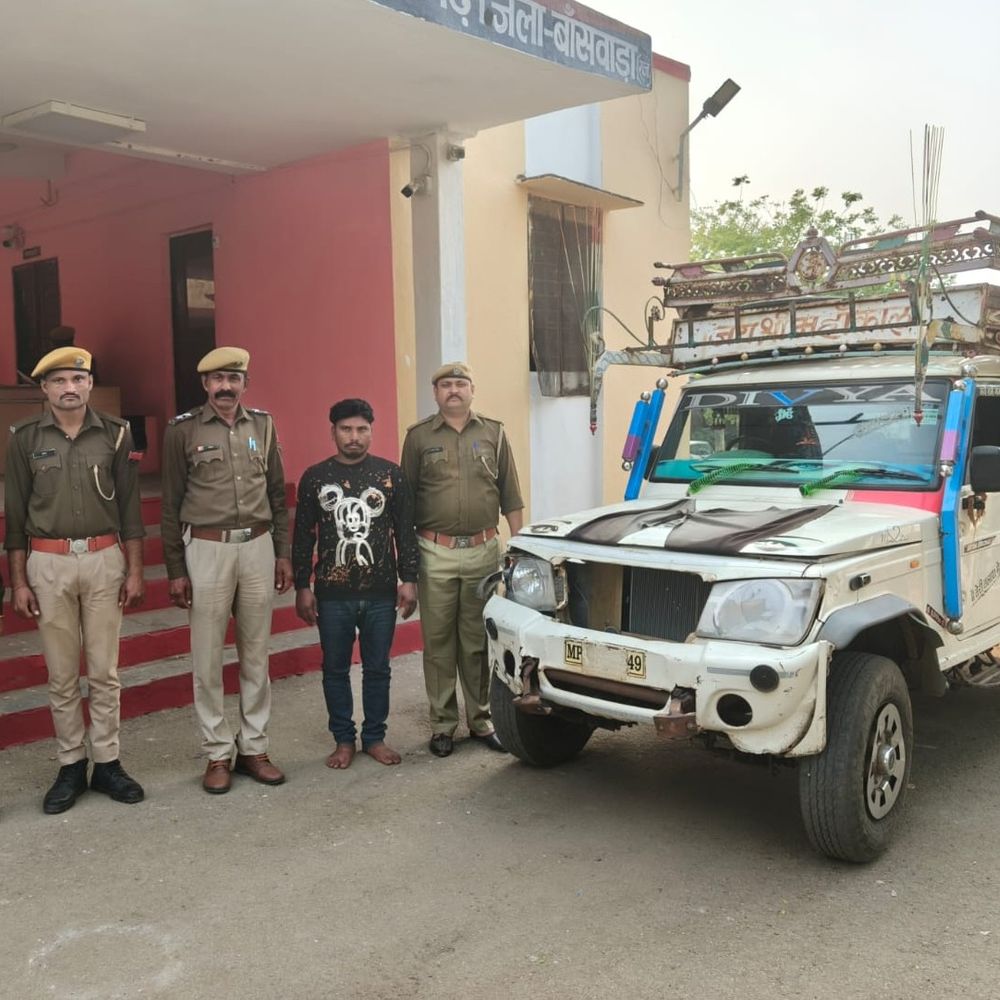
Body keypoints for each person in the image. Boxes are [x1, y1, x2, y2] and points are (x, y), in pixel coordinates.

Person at [4, 347, 146, 814]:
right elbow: (15, 517)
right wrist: (18, 581)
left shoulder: (116, 433)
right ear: (44, 389)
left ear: (89, 385)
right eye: (59, 381)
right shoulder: (24, 438)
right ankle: (70, 763)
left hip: (104, 559)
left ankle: (107, 762)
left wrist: (135, 569)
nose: (69, 388)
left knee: (104, 671)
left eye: (77, 379)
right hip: (48, 564)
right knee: (62, 674)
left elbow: (129, 508)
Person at [160, 347, 292, 794]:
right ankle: (217, 752)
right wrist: (176, 569)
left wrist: (282, 553)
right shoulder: (182, 430)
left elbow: (276, 495)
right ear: (205, 384)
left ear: (245, 384)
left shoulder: (263, 425)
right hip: (207, 549)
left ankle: (254, 747)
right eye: (217, 379)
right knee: (208, 659)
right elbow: (170, 505)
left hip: (257, 546)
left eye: (234, 378)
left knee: (256, 654)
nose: (225, 387)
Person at [400, 362, 524, 758]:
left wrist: (519, 549)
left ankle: (481, 720)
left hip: (483, 552)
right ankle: (442, 725)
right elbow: (405, 503)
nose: (453, 390)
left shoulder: (494, 433)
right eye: (446, 385)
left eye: (460, 384)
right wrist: (406, 568)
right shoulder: (418, 438)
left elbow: (511, 495)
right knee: (438, 643)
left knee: (477, 641)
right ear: (435, 393)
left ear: (472, 390)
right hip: (433, 551)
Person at [293, 399, 419, 768]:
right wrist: (303, 585)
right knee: (335, 669)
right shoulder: (315, 478)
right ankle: (344, 740)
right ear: (332, 432)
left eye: (362, 429)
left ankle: (375, 738)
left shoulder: (391, 475)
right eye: (346, 429)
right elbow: (303, 535)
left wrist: (409, 579)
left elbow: (404, 532)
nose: (354, 436)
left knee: (378, 668)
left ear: (371, 432)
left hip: (381, 593)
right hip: (332, 595)